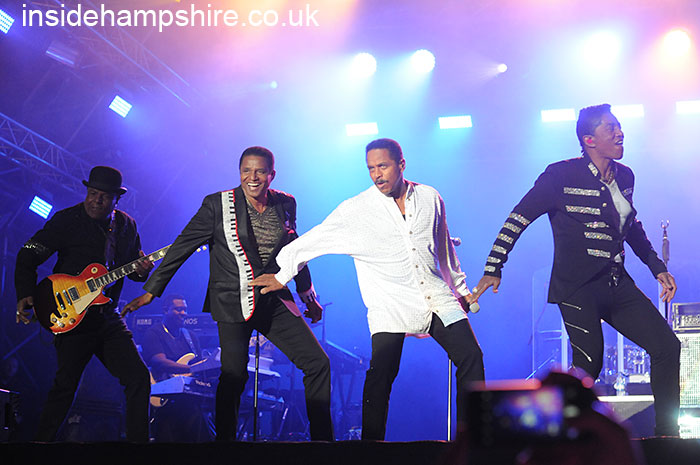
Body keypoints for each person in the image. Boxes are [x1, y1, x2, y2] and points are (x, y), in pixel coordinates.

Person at [252, 138, 485, 440]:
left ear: (401, 165)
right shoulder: (357, 209)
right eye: (371, 168)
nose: (377, 174)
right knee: (381, 375)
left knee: (471, 357)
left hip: (436, 296)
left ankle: (472, 439)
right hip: (389, 304)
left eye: (383, 166)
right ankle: (371, 447)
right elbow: (316, 239)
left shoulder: (430, 197)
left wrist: (460, 289)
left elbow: (443, 248)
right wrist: (282, 274)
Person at [470, 104, 681, 436]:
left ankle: (668, 438)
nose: (620, 133)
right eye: (610, 128)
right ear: (589, 139)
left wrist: (656, 266)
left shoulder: (625, 176)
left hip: (616, 283)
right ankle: (546, 434)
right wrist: (494, 266)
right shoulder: (560, 176)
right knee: (588, 365)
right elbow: (518, 217)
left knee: (667, 346)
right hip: (577, 287)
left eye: (619, 126)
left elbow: (631, 226)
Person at [122, 146, 333, 441]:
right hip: (232, 301)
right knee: (234, 375)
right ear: (239, 172)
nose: (252, 177)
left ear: (272, 175)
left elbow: (294, 250)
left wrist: (307, 294)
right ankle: (225, 447)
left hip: (273, 299)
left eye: (260, 171)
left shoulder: (286, 203)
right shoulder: (217, 205)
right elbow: (182, 246)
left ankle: (323, 444)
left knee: (318, 363)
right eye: (246, 170)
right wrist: (151, 292)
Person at [15, 166, 154, 442]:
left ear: (117, 199)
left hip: (108, 316)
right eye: (92, 193)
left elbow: (134, 270)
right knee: (65, 386)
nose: (96, 201)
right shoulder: (67, 220)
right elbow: (28, 254)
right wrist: (25, 292)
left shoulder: (126, 226)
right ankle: (39, 447)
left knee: (138, 378)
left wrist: (142, 271)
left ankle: (138, 448)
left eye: (104, 196)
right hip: (72, 315)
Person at [142, 294, 214, 442]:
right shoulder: (154, 332)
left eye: (185, 309)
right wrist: (190, 369)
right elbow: (159, 362)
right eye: (178, 309)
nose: (183, 313)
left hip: (188, 397)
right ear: (165, 310)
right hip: (163, 393)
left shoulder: (190, 336)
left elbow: (198, 364)